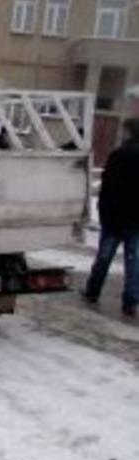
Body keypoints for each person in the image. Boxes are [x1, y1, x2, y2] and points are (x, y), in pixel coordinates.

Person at [82, 118, 139, 318]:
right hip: (135, 220)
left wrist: (103, 211)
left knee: (104, 258)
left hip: (115, 218)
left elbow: (107, 185)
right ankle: (130, 301)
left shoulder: (119, 155)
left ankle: (92, 291)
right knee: (133, 262)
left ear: (129, 133)